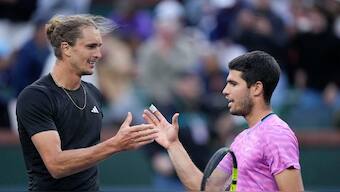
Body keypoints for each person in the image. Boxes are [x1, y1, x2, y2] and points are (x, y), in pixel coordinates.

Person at [16, 14, 158, 191]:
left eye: (99, 46)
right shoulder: (36, 97)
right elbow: (56, 165)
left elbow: (89, 154)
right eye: (91, 47)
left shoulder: (92, 93)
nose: (98, 54)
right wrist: (115, 144)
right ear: (66, 48)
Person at [143, 51, 304, 191]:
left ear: (256, 88)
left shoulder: (276, 133)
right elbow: (206, 188)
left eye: (233, 84)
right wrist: (173, 145)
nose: (225, 91)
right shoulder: (241, 140)